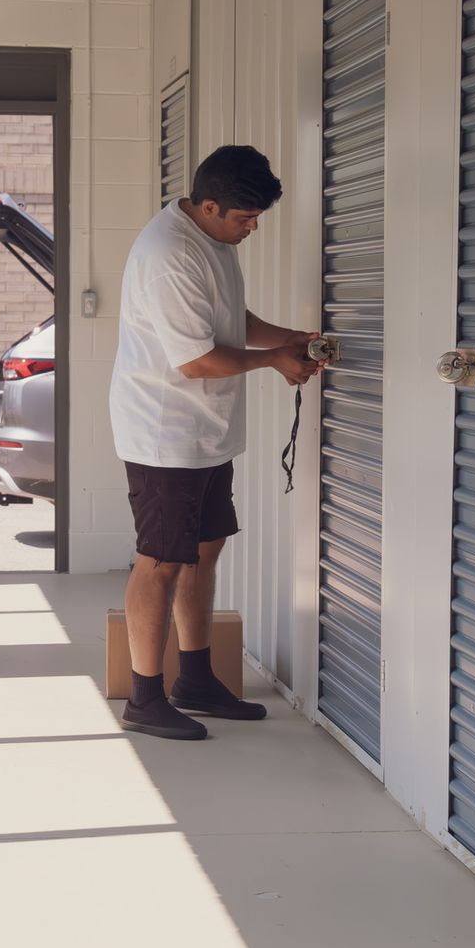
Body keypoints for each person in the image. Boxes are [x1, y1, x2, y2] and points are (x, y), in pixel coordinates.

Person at [108, 145, 321, 740]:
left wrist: (293, 339)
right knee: (161, 561)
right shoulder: (170, 253)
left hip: (204, 433)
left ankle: (194, 679)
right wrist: (276, 361)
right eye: (245, 218)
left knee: (203, 551)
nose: (253, 228)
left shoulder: (212, 240)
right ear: (208, 205)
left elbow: (230, 318)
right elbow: (198, 359)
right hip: (164, 433)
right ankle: (145, 699)